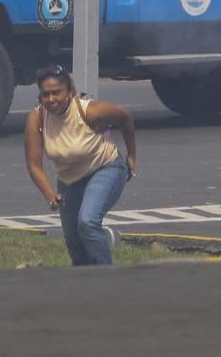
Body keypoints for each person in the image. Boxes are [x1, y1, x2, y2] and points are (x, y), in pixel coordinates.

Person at [23, 65, 138, 266]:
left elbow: (124, 118)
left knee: (87, 221)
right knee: (74, 242)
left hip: (105, 168)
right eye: (45, 94)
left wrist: (132, 156)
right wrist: (50, 193)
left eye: (57, 93)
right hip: (69, 181)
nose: (51, 99)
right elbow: (34, 166)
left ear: (69, 92)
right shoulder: (37, 118)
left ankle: (106, 276)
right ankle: (83, 284)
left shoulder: (90, 111)